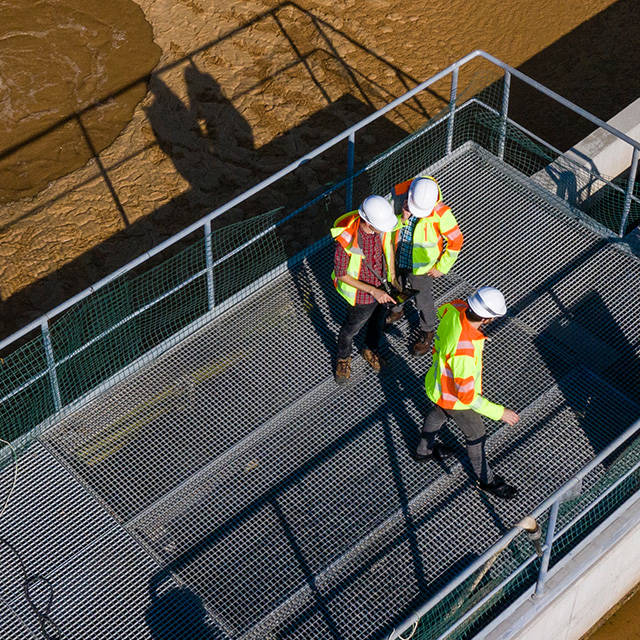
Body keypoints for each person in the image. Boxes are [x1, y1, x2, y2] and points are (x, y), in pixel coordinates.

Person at [417, 286, 520, 499]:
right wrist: (498, 412)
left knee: (438, 413)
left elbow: (444, 312)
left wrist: (476, 336)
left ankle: (423, 451)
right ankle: (487, 481)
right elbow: (467, 397)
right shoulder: (465, 350)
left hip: (438, 383)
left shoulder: (456, 307)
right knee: (476, 436)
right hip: (455, 398)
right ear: (488, 319)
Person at [386, 175, 464, 356]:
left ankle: (428, 330)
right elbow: (386, 224)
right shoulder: (397, 196)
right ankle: (397, 311)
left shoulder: (442, 214)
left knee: (423, 301)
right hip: (397, 257)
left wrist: (442, 267)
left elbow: (456, 241)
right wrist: (402, 219)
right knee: (396, 286)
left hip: (422, 268)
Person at [331, 195, 399, 384]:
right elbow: (341, 274)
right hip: (363, 296)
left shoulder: (381, 227)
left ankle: (369, 348)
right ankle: (343, 359)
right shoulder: (346, 239)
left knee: (377, 322)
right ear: (369, 223)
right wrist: (373, 291)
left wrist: (392, 277)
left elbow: (389, 247)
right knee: (350, 330)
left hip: (382, 286)